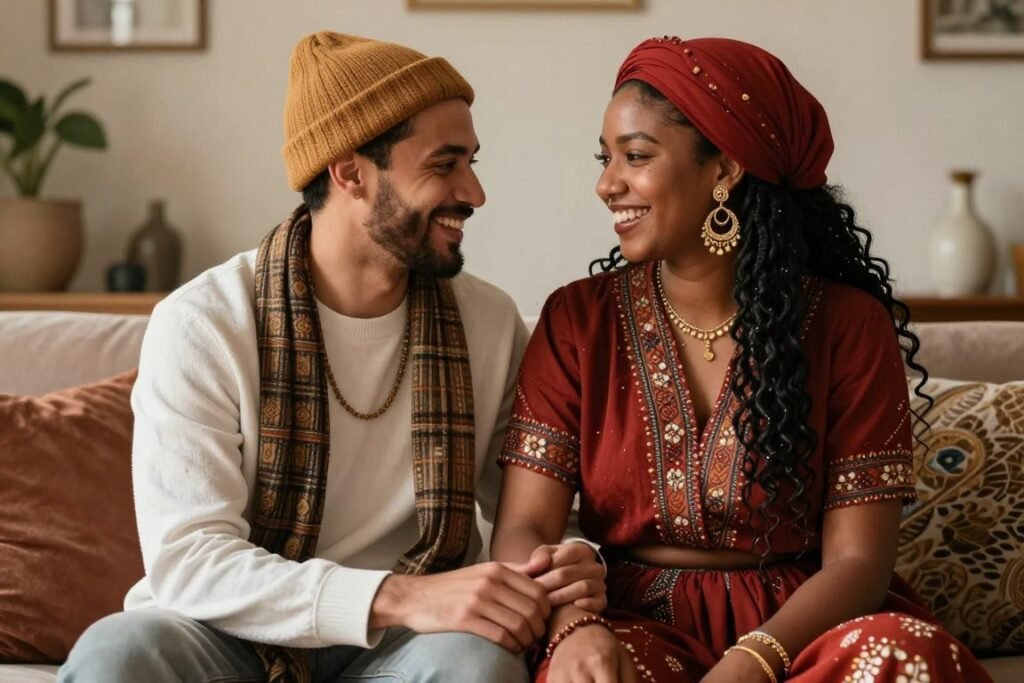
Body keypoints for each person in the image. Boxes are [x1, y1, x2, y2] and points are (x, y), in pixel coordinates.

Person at [59, 32, 604, 683]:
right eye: (444, 164)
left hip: (407, 645)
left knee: (475, 664)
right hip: (226, 634)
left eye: (472, 161)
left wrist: (570, 558)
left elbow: (532, 512)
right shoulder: (202, 322)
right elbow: (190, 560)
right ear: (350, 172)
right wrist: (396, 594)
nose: (475, 192)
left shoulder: (486, 321)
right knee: (113, 655)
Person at [491, 36, 994, 683]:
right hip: (629, 624)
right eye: (606, 157)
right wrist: (573, 626)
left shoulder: (846, 325)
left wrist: (752, 662)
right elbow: (524, 526)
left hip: (807, 631)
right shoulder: (577, 320)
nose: (606, 183)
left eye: (635, 156)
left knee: (905, 656)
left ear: (725, 169)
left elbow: (857, 561)